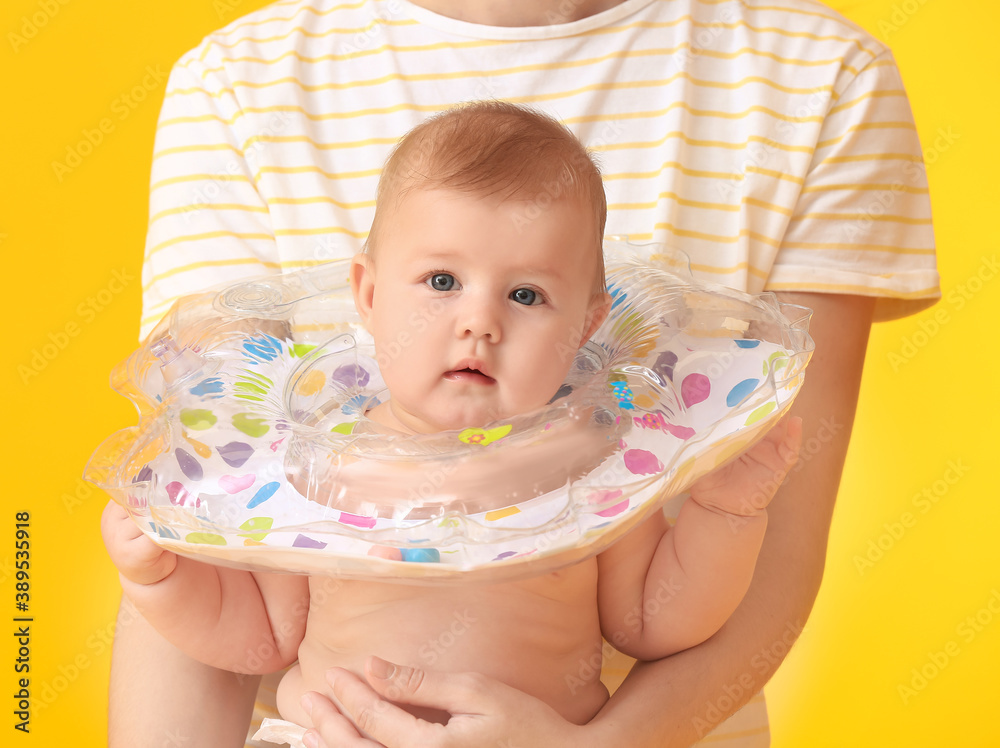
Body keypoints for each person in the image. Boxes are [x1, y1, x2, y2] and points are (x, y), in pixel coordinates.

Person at [109, 1, 940, 746]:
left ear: (591, 323)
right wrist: (160, 575)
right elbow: (254, 631)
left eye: (528, 295)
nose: (479, 320)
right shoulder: (322, 467)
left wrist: (727, 510)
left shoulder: (595, 466)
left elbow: (659, 618)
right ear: (363, 295)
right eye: (441, 283)